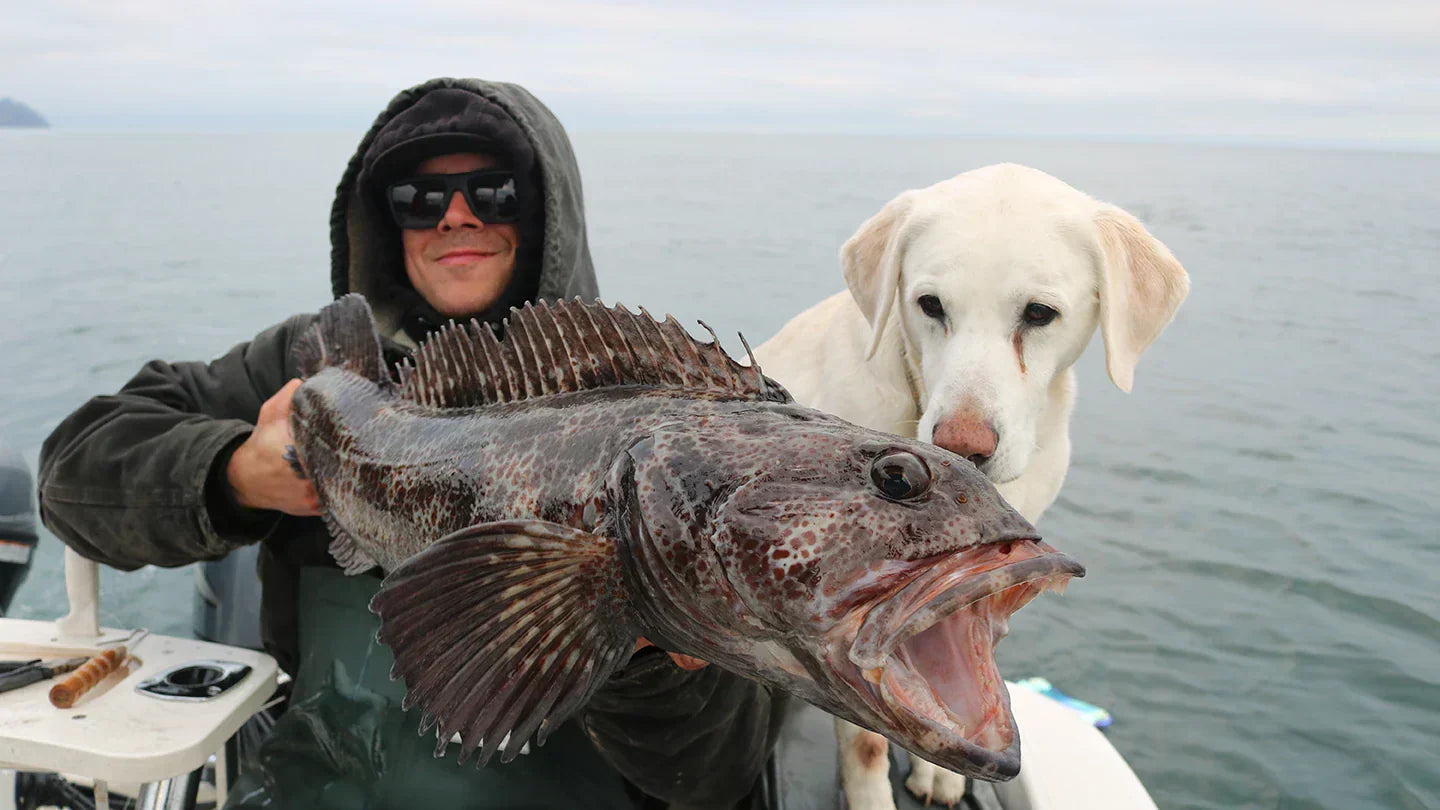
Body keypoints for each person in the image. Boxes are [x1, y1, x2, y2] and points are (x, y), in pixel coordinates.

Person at [38, 78, 784, 810]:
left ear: (549, 212)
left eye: (495, 194)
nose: (456, 218)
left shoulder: (666, 422)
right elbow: (73, 474)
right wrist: (230, 474)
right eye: (420, 200)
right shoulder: (312, 372)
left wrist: (646, 650)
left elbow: (713, 775)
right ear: (385, 223)